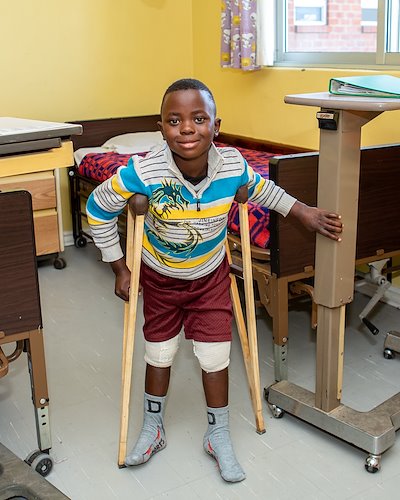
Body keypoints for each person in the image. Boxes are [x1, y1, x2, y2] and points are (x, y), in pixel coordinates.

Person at [86, 78, 342, 483]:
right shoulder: (143, 170)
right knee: (159, 354)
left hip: (209, 278)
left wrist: (304, 212)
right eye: (175, 120)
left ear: (216, 126)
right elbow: (97, 206)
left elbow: (265, 190)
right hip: (160, 278)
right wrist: (119, 266)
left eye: (198, 118)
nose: (187, 128)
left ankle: (217, 433)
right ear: (161, 127)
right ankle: (153, 429)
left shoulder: (234, 165)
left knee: (214, 357)